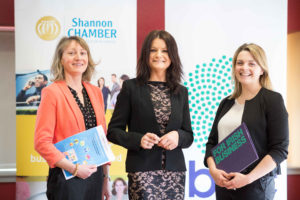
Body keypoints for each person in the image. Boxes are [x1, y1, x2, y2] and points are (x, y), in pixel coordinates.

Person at [107, 30, 194, 200]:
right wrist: (138, 140)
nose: (158, 55)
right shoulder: (130, 88)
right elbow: (113, 131)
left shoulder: (181, 92)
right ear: (146, 54)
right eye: (153, 50)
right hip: (141, 172)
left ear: (172, 55)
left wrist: (178, 136)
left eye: (165, 50)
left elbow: (188, 136)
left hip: (175, 173)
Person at [204, 43, 289, 200]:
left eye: (252, 63)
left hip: (256, 186)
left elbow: (280, 149)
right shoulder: (226, 103)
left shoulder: (272, 100)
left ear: (262, 69)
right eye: (240, 63)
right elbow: (211, 143)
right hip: (224, 185)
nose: (244, 68)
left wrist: (248, 178)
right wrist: (213, 171)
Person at [34, 36, 111, 200]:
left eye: (83, 53)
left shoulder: (96, 92)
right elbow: (41, 142)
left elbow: (102, 138)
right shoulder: (51, 92)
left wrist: (106, 178)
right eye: (71, 53)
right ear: (61, 59)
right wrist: (75, 168)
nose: (78, 57)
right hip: (66, 177)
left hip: (95, 177)